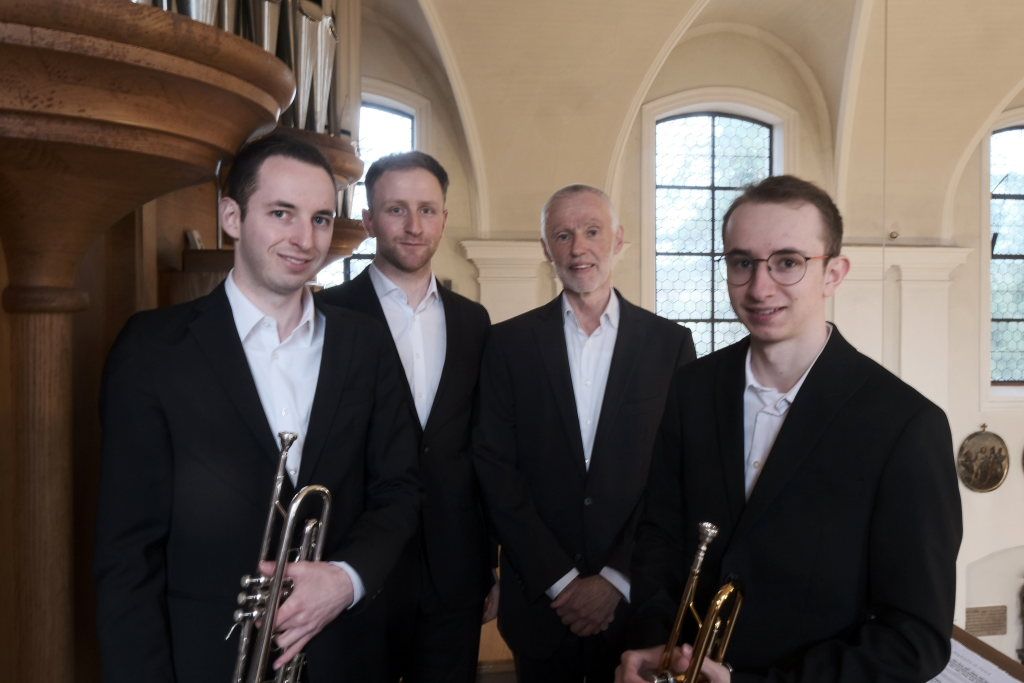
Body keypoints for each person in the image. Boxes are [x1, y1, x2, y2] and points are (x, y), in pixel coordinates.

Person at [94, 131, 420, 683]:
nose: (305, 239)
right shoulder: (153, 349)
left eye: (320, 219)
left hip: (344, 655)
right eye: (281, 213)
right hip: (203, 659)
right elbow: (127, 552)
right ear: (232, 217)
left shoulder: (365, 343)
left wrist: (347, 578)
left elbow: (401, 489)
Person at [618, 175, 963, 683]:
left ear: (833, 273)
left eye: (787, 262)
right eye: (742, 263)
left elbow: (915, 639)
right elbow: (660, 539)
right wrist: (655, 641)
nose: (760, 288)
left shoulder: (906, 425)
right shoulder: (691, 389)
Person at [473, 184, 697, 682]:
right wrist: (560, 580)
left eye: (592, 232)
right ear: (546, 248)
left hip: (636, 606)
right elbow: (495, 468)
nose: (579, 248)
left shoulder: (669, 345)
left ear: (618, 240)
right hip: (541, 603)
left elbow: (675, 474)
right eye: (563, 235)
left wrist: (616, 578)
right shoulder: (507, 345)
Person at [319, 151, 495, 683]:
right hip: (354, 566)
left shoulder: (474, 321)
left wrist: (492, 563)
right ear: (368, 220)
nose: (414, 226)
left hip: (454, 568)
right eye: (396, 210)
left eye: (427, 210)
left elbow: (485, 447)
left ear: (444, 218)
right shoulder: (328, 315)